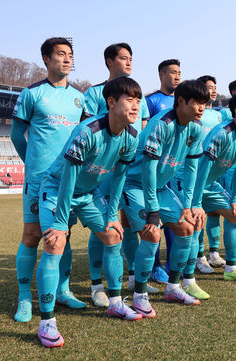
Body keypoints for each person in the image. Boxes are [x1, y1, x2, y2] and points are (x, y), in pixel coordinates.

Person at [35, 77, 143, 348]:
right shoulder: (87, 131)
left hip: (90, 195)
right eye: (129, 100)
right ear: (111, 102)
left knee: (113, 236)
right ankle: (46, 322)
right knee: (55, 242)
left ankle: (116, 303)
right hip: (57, 189)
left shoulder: (131, 136)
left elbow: (118, 178)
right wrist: (61, 222)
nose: (135, 106)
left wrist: (111, 216)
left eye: (138, 101)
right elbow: (68, 177)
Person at [9, 37, 85, 323]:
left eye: (70, 55)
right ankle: (25, 296)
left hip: (69, 180)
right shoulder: (32, 94)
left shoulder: (80, 98)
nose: (67, 60)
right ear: (46, 59)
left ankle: (63, 291)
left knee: (63, 236)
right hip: (39, 180)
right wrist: (33, 165)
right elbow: (17, 135)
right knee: (31, 236)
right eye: (61, 55)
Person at [120, 80, 209, 317]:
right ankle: (139, 295)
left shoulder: (196, 128)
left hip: (160, 188)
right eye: (197, 102)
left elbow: (191, 169)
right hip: (136, 185)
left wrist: (189, 205)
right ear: (181, 102)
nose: (202, 107)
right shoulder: (162, 124)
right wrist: (152, 209)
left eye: (204, 103)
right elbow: (148, 170)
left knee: (186, 227)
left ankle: (173, 287)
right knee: (152, 234)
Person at [82, 42, 152, 307]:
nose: (129, 62)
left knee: (132, 225)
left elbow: (141, 131)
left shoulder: (138, 95)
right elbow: (88, 129)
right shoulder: (94, 93)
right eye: (123, 58)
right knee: (103, 227)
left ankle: (134, 278)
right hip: (103, 171)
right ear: (109, 62)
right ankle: (96, 285)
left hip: (129, 169)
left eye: (131, 58)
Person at [186, 90, 236, 286]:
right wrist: (195, 202)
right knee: (191, 223)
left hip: (210, 185)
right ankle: (187, 272)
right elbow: (203, 167)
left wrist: (235, 198)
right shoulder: (221, 134)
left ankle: (231, 269)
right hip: (189, 184)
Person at [144, 59, 182, 285]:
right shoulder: (151, 100)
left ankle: (170, 265)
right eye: (173, 72)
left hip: (175, 169)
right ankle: (154, 266)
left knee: (174, 220)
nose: (177, 76)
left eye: (179, 72)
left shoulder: (183, 100)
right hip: (155, 166)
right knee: (154, 220)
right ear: (161, 74)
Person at [194, 75, 223, 274]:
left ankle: (214, 252)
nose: (212, 90)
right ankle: (199, 256)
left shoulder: (219, 116)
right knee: (198, 212)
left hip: (215, 168)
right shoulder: (197, 112)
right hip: (196, 166)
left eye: (214, 87)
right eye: (208, 87)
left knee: (214, 212)